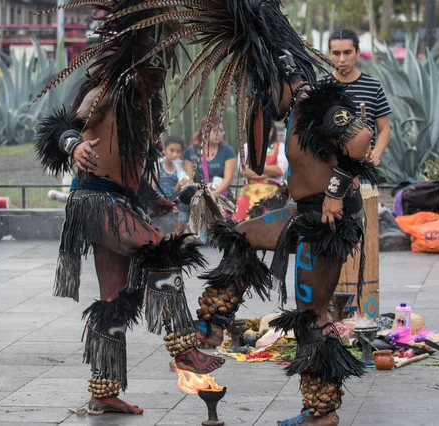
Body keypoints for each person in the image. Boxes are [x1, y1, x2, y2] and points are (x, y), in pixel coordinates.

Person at [136, 2, 380, 424]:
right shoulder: (296, 109)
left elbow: (360, 138)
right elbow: (274, 160)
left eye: (266, 89)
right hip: (303, 214)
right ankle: (212, 324)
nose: (264, 98)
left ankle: (321, 413)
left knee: (311, 317)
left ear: (285, 78)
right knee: (240, 235)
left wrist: (336, 195)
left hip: (328, 225)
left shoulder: (319, 105)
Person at [33, 1, 224, 416]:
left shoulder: (145, 106)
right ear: (134, 61)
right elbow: (62, 127)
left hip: (117, 200)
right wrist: (75, 145)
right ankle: (185, 350)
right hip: (94, 200)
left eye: (161, 74)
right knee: (161, 254)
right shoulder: (105, 90)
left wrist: (149, 193)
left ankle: (102, 390)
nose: (156, 81)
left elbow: (130, 166)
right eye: (150, 72)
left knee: (115, 301)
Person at [324, 29, 392, 166]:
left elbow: (384, 129)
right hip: (329, 168)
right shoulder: (321, 87)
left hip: (364, 168)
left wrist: (376, 154)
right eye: (336, 53)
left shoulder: (373, 87)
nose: (342, 59)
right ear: (329, 54)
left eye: (347, 52)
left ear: (358, 52)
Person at [234, 125, 289, 220]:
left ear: (271, 130)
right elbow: (243, 171)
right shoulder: (246, 148)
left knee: (269, 217)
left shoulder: (280, 147)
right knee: (240, 219)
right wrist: (270, 172)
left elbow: (280, 170)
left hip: (271, 191)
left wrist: (254, 168)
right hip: (248, 190)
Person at [183, 117, 237, 201]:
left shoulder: (227, 151)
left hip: (221, 196)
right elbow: (190, 179)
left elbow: (228, 179)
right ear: (204, 131)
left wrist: (212, 195)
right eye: (215, 130)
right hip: (198, 197)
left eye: (221, 131)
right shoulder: (191, 152)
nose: (219, 134)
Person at [148, 136, 190, 235]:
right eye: (172, 150)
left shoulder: (180, 166)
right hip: (160, 199)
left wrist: (179, 185)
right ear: (164, 150)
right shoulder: (157, 165)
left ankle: (179, 229)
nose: (175, 154)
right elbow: (151, 186)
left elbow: (178, 191)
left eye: (178, 152)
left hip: (174, 199)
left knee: (184, 205)